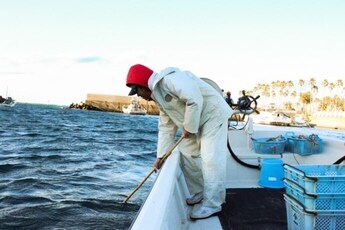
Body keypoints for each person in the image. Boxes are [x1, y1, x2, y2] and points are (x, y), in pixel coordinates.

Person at [125, 64, 232, 220]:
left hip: (213, 115)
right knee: (186, 152)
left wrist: (189, 126)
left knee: (210, 158)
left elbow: (193, 99)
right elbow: (166, 128)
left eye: (137, 91)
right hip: (198, 122)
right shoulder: (159, 97)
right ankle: (201, 190)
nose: (139, 96)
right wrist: (160, 156)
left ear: (143, 85)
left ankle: (212, 204)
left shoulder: (170, 79)